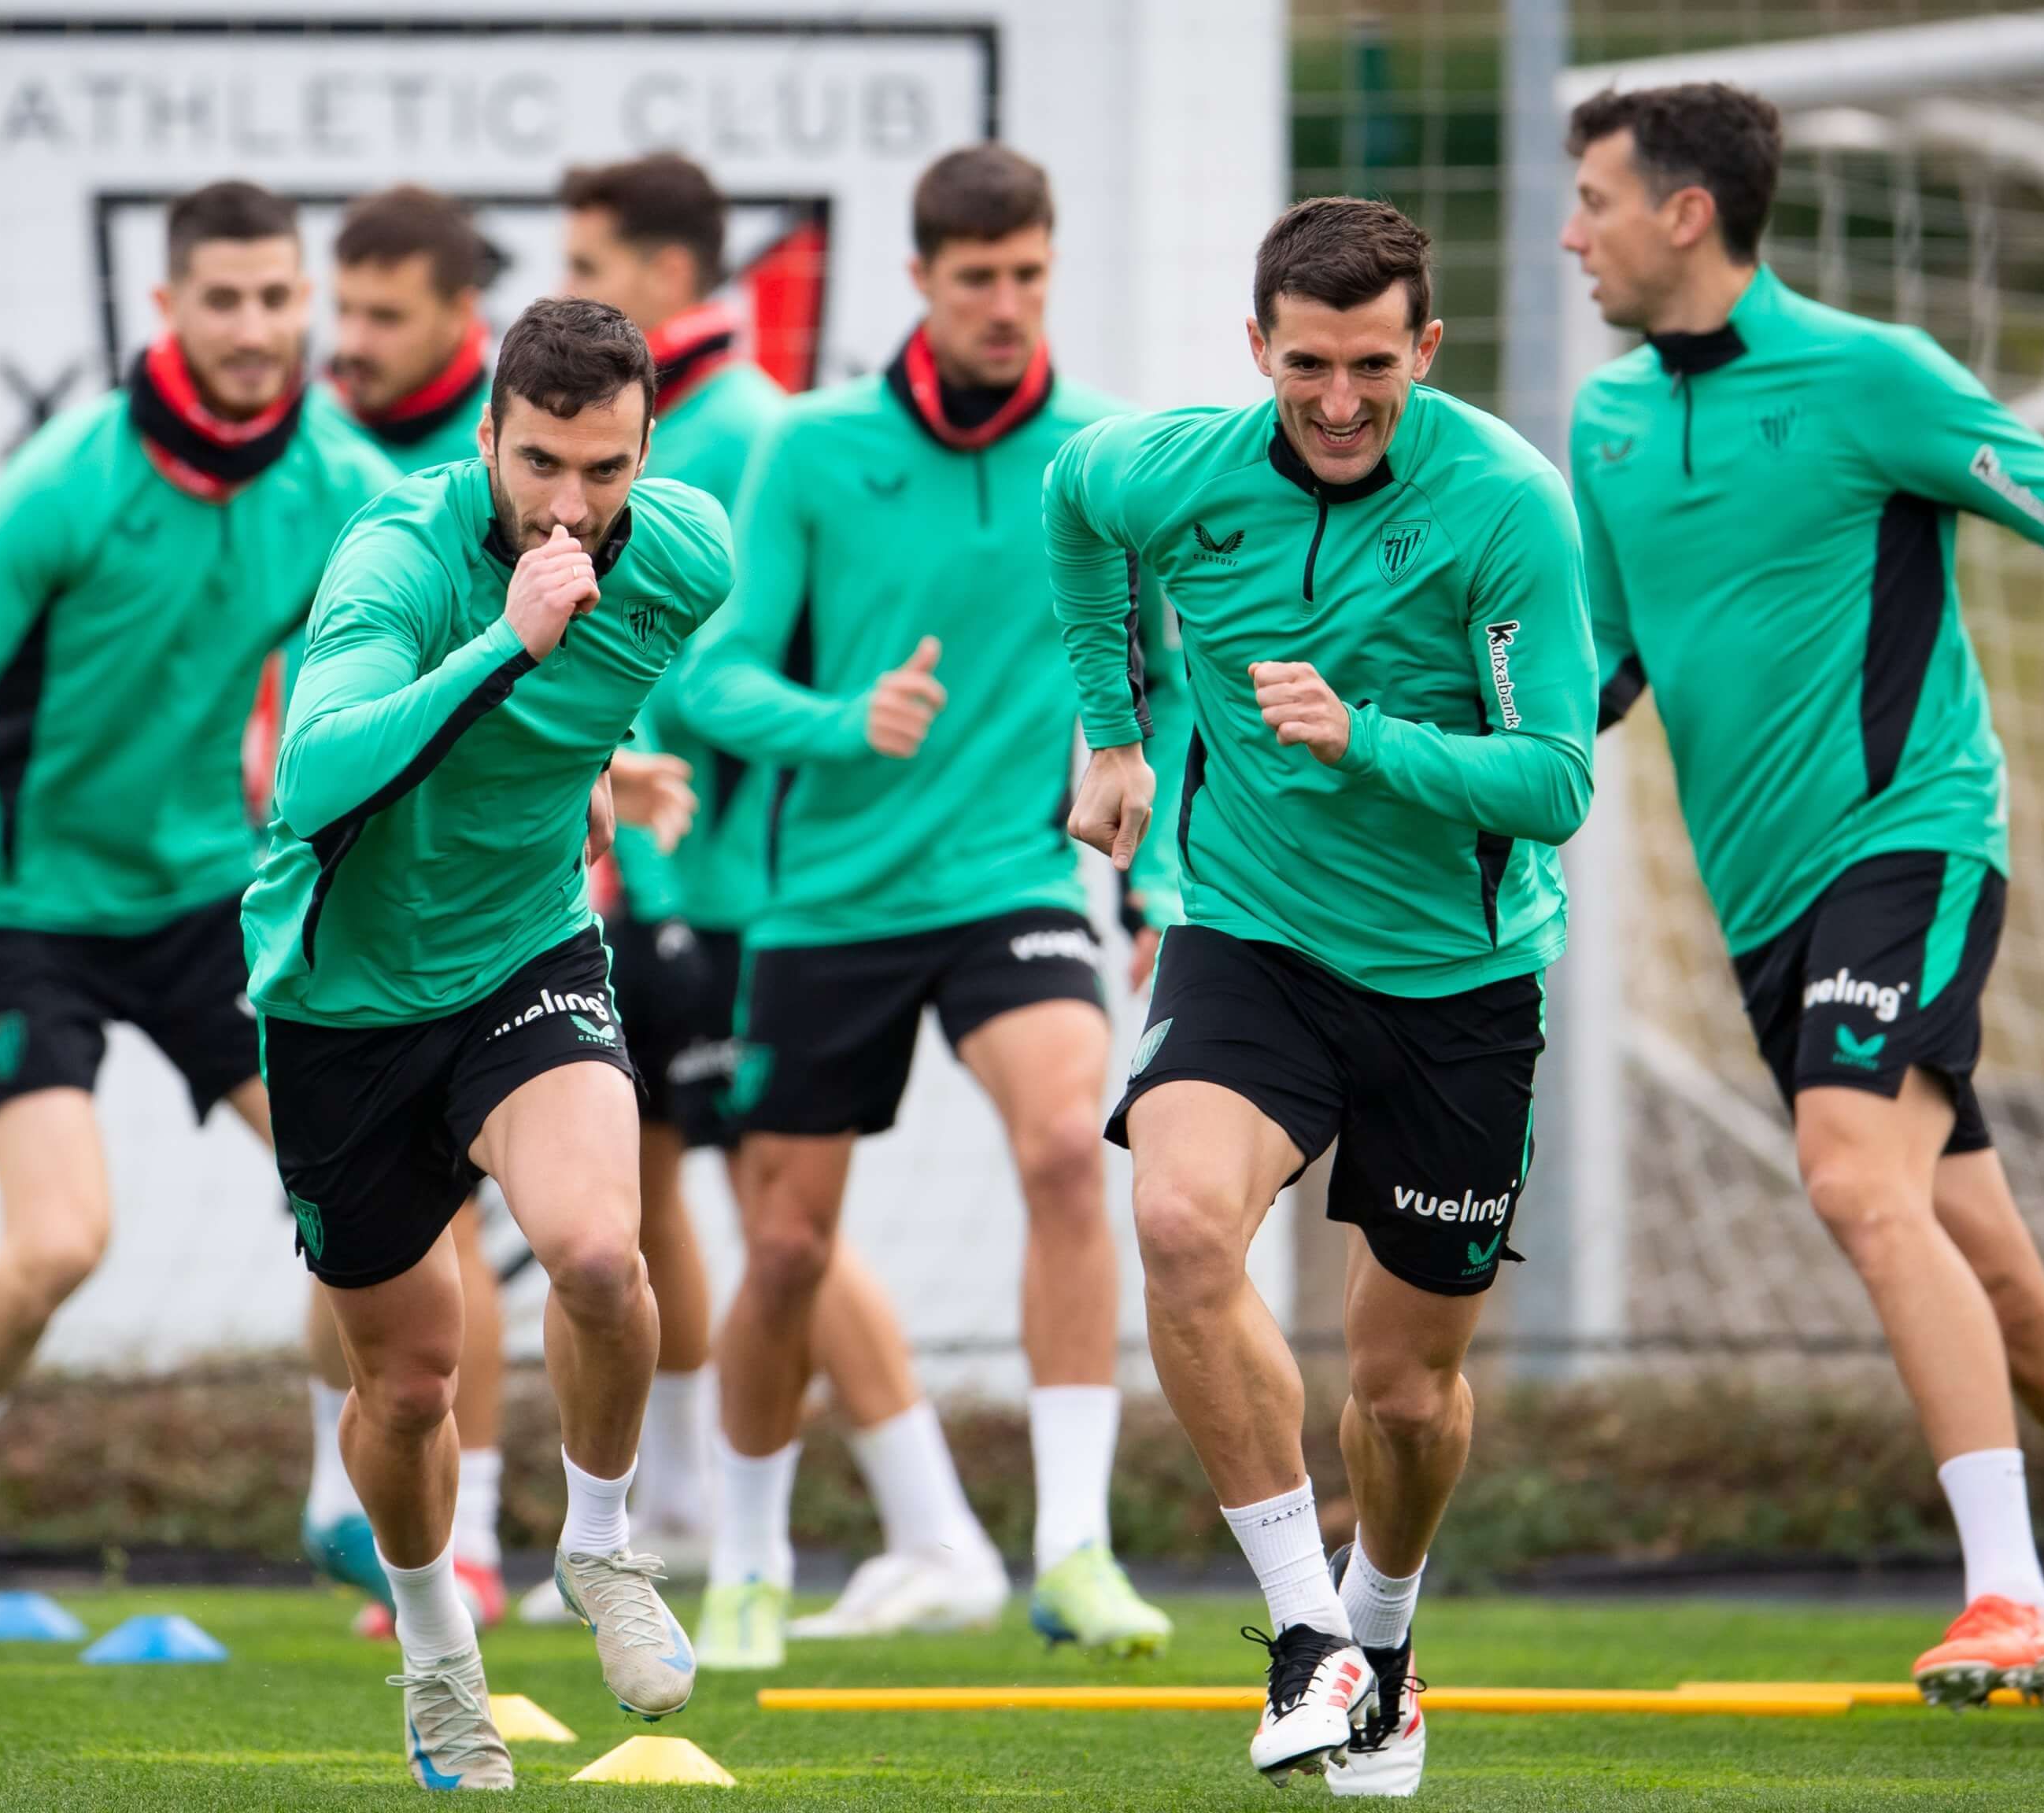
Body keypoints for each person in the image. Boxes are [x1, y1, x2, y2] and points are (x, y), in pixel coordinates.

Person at [1558, 83, 2044, 1738]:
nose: (1570, 234)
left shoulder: (1872, 378)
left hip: (1909, 846)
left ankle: (2013, 1597)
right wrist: (1452, 782)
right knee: (2003, 1294)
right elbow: (1602, 667)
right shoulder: (1608, 423)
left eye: (1594, 201)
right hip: (1765, 913)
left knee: (1851, 1180)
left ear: (1685, 213)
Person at [1052, 196, 1598, 1788]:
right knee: (1170, 1223)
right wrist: (1110, 727)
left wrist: (1364, 737)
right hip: (1252, 939)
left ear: (1424, 347)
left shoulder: (1505, 504)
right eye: (1306, 365)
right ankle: (1310, 1638)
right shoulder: (1177, 469)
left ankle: (1383, 1625)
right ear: (1255, 350)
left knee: (1407, 1397)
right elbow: (1072, 509)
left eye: (1373, 364)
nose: (1340, 400)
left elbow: (1554, 781)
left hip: (1457, 981)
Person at [0, 180, 398, 1657]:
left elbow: (422, 675)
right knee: (60, 1240)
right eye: (220, 299)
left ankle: (340, 1495)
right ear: (165, 310)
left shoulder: (340, 482)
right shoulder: (66, 482)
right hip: (24, 909)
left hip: (209, 900)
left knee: (380, 1195)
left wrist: (592, 757)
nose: (251, 326)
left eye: (276, 297)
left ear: (308, 308)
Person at [672, 142, 1178, 1674]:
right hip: (826, 902)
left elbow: (1155, 691)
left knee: (1063, 1153)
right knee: (782, 1253)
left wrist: (1148, 877)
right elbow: (711, 672)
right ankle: (750, 1565)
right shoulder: (815, 449)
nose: (1007, 305)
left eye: (1028, 274)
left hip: (1012, 885)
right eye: (977, 280)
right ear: (919, 281)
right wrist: (843, 726)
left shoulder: (1101, 450)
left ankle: (1074, 1551)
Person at [246, 296, 723, 1789]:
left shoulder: (690, 553)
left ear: (650, 445)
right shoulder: (396, 552)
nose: (570, 505)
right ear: (486, 438)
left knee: (596, 1251)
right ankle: (435, 1647)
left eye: (604, 467)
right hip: (340, 999)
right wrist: (505, 650)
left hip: (525, 949)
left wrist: (602, 770)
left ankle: (600, 1545)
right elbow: (312, 777)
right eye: (538, 465)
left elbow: (566, 720)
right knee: (406, 1384)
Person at [537, 150, 1008, 1640]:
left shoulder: (742, 429)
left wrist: (674, 795)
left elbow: (716, 662)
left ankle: (939, 1527)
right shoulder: (633, 436)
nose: (566, 290)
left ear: (673, 278)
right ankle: (667, 1502)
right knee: (648, 1183)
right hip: (652, 868)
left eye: (593, 258)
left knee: (777, 1210)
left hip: (736, 879)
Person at [327, 185, 494, 474]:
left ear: (461, 312)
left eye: (386, 317)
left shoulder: (512, 455)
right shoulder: (292, 441)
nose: (353, 345)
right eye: (344, 310)